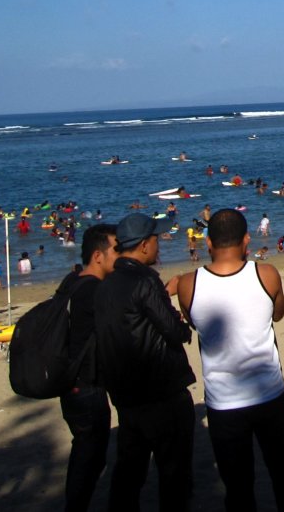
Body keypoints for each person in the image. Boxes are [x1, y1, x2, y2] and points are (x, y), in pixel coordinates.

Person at [176, 209, 284, 511]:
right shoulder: (266, 273)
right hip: (270, 394)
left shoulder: (187, 284)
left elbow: (193, 323)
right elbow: (278, 313)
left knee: (238, 487)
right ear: (247, 240)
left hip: (224, 404)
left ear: (207, 243)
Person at [94, 213, 196, 511]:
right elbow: (173, 330)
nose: (159, 244)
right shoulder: (145, 280)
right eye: (155, 240)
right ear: (142, 246)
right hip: (160, 390)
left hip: (126, 394)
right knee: (174, 472)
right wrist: (182, 323)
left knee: (129, 470)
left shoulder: (105, 285)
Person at [55, 223, 118, 512]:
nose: (121, 255)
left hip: (70, 381)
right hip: (86, 385)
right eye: (116, 249)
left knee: (86, 449)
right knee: (89, 454)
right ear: (98, 255)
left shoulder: (71, 282)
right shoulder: (95, 291)